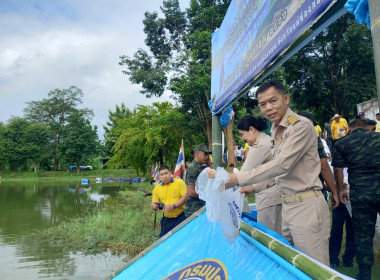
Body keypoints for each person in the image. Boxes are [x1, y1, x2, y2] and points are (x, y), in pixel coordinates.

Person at [208, 81, 330, 265]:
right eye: (263, 104)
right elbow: (278, 174)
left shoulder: (300, 126)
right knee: (289, 264)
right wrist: (254, 187)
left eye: (273, 101)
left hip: (306, 205)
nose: (268, 108)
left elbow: (282, 165)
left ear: (286, 98)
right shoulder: (275, 129)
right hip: (287, 205)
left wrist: (235, 178)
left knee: (313, 267)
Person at [333, 118, 380, 280]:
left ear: (348, 128)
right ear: (368, 127)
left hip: (361, 194)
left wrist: (340, 190)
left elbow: (338, 169)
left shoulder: (342, 143)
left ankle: (365, 274)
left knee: (363, 235)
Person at [236, 115, 282, 234]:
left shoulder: (260, 145)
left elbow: (243, 174)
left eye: (242, 134)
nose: (242, 138)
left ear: (251, 129)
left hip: (269, 198)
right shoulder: (267, 140)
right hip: (274, 194)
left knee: (271, 237)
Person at [297, 111, 339, 207]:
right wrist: (334, 192)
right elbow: (323, 167)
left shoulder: (284, 139)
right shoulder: (313, 139)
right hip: (314, 193)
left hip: (292, 196)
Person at [151, 165, 188, 237]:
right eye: (162, 174)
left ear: (170, 173)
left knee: (181, 238)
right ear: (159, 176)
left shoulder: (179, 182)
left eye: (166, 173)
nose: (164, 176)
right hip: (167, 219)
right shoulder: (157, 188)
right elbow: (153, 203)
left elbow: (185, 197)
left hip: (181, 216)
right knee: (164, 240)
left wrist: (173, 206)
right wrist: (154, 206)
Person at [184, 144, 212, 217]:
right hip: (194, 210)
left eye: (208, 155)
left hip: (201, 208)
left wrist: (209, 164)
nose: (207, 157)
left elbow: (214, 177)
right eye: (205, 154)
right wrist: (207, 197)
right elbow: (191, 192)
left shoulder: (202, 167)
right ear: (197, 154)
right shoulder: (193, 168)